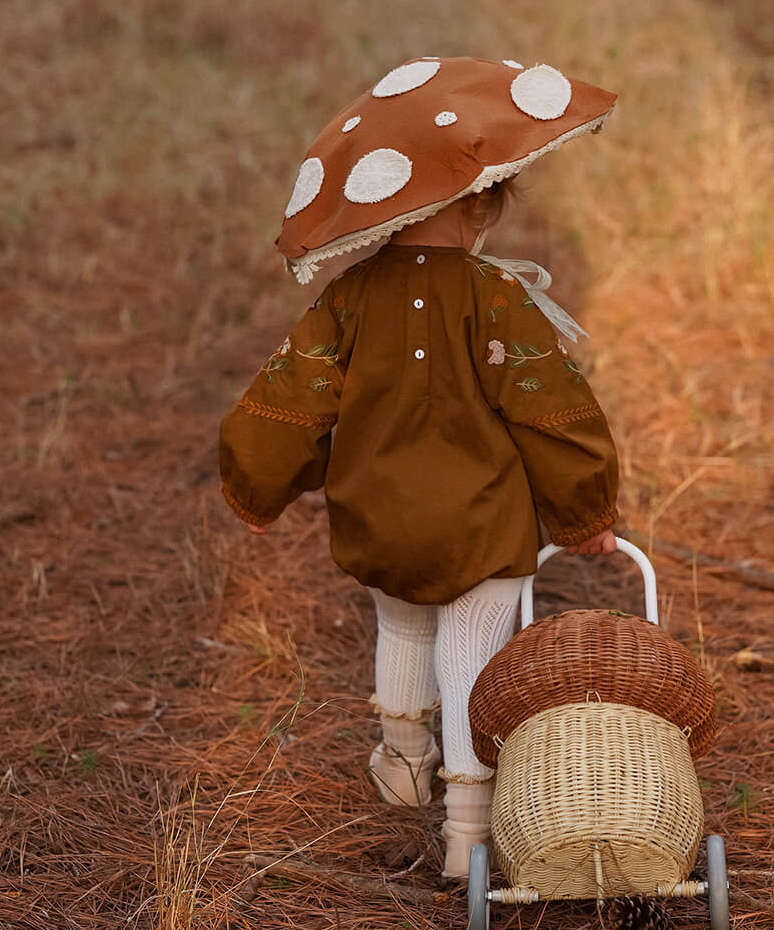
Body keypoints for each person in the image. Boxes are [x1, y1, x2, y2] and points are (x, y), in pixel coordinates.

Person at [218, 57, 620, 877]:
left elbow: (291, 400)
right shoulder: (496, 299)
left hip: (379, 514)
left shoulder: (345, 297)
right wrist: (586, 513)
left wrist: (257, 487)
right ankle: (467, 827)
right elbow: (552, 413)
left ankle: (403, 762)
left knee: (401, 623)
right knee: (470, 649)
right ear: (477, 200)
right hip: (481, 521)